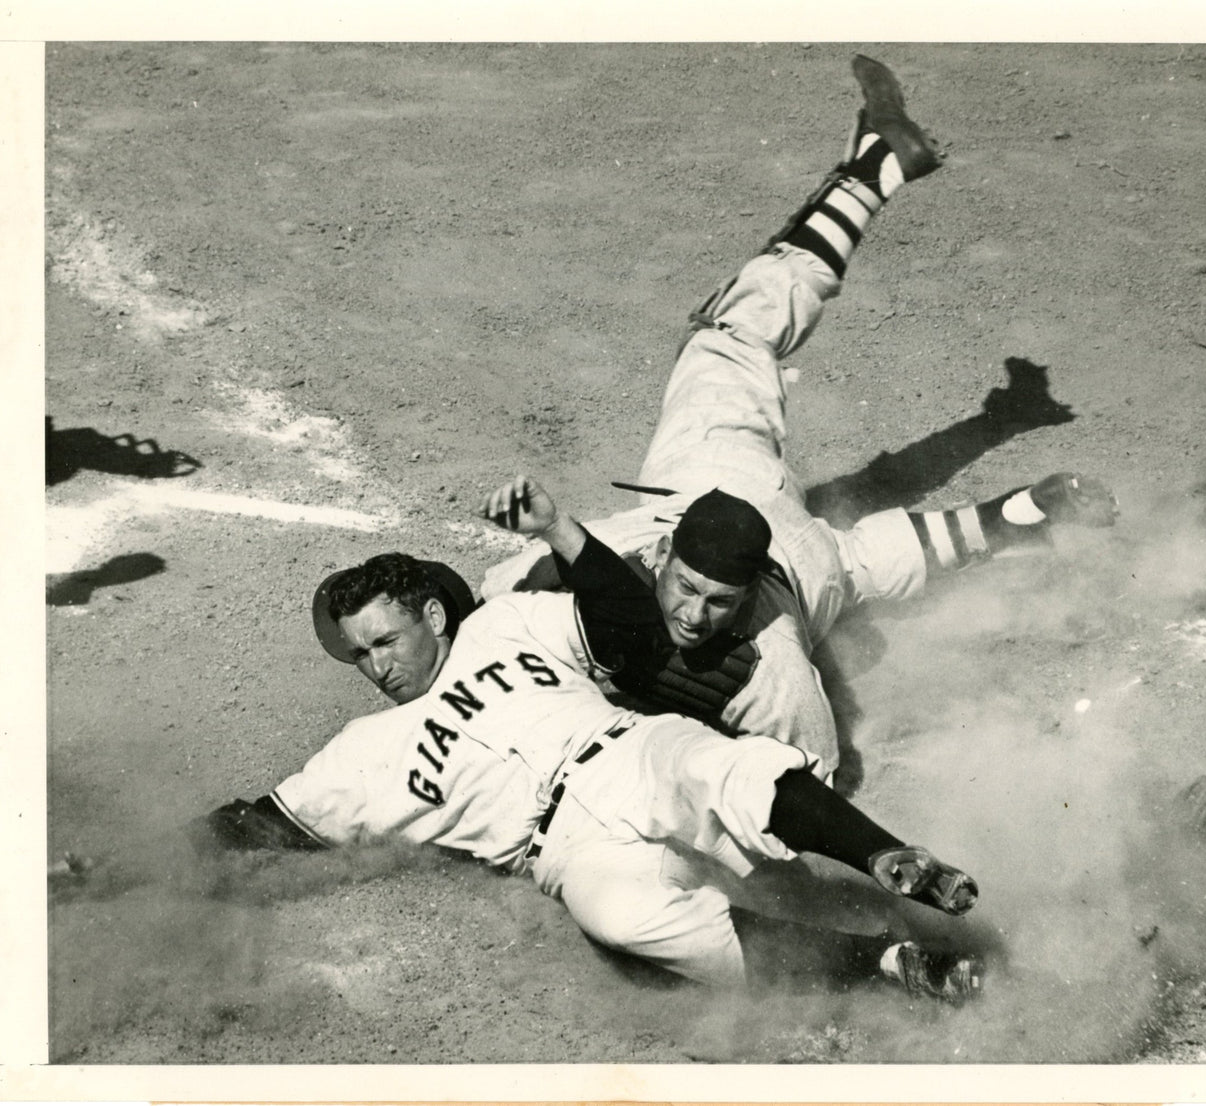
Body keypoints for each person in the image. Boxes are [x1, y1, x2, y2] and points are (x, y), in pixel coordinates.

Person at [477, 55, 1119, 773]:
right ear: (661, 557)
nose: (693, 616)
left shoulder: (770, 653)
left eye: (714, 602)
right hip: (728, 496)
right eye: (689, 592)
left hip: (743, 516)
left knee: (846, 549)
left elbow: (810, 784)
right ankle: (1019, 507)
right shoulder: (742, 622)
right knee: (849, 560)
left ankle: (1011, 509)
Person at [195, 488, 985, 1006]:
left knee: (716, 769)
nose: (377, 667)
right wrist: (118, 868)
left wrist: (557, 530)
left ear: (433, 617)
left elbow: (625, 623)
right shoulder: (357, 756)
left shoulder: (504, 625)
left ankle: (889, 858)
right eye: (360, 655)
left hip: (625, 754)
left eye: (384, 641)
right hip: (563, 850)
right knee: (622, 918)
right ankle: (882, 967)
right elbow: (254, 829)